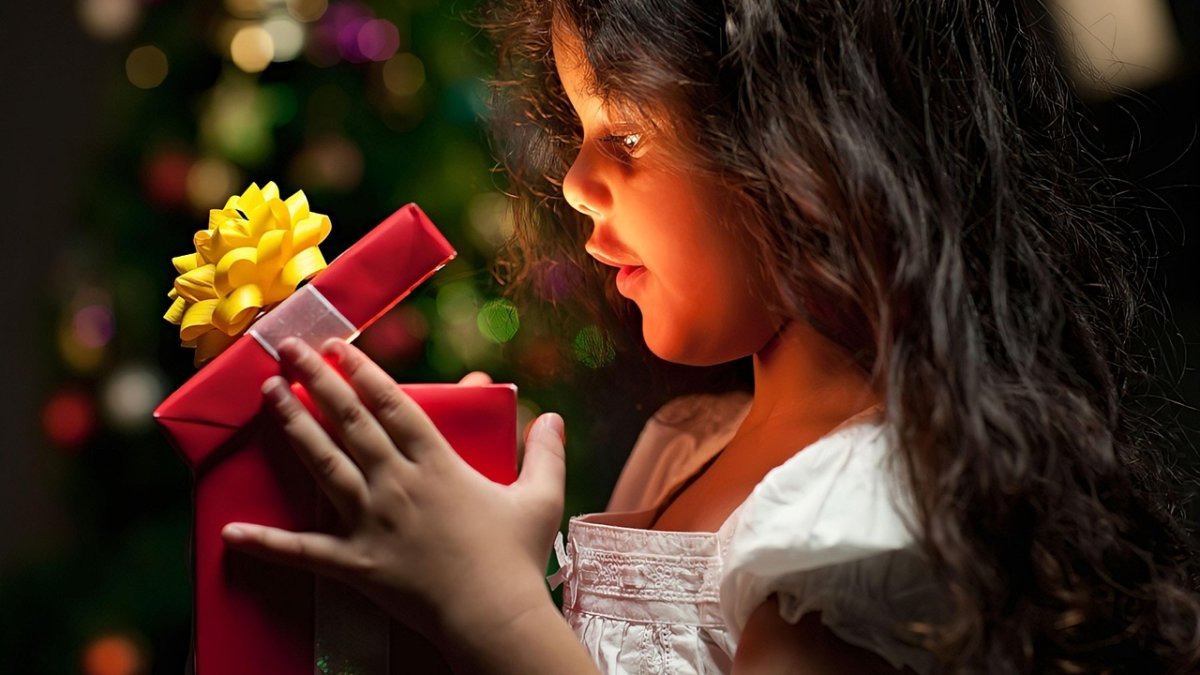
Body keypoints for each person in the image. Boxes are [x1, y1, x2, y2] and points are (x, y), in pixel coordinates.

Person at [220, 0, 1200, 672]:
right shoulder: (686, 445)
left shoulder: (859, 519)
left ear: (806, 146)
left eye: (627, 138)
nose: (570, 181)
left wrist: (495, 609)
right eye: (577, 129)